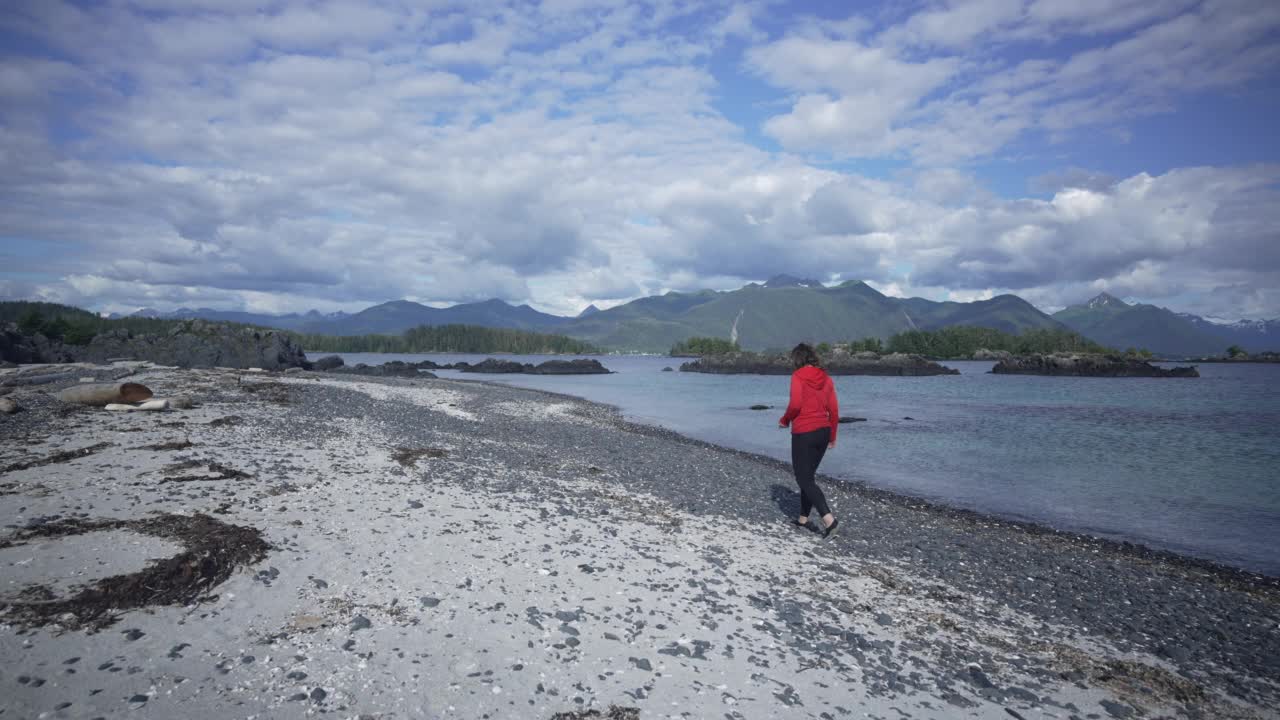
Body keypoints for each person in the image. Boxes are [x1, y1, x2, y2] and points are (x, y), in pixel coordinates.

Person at [778, 343, 840, 537]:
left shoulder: (797, 376)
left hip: (804, 431)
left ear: (797, 358)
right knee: (808, 477)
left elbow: (796, 404)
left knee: (803, 478)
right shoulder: (827, 378)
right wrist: (832, 436)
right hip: (823, 431)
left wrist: (785, 419)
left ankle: (829, 520)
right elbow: (834, 410)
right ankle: (803, 519)